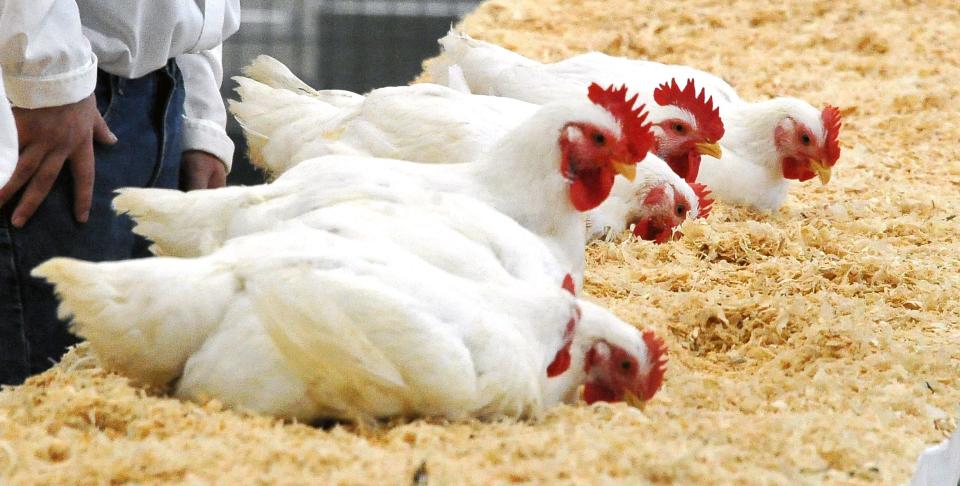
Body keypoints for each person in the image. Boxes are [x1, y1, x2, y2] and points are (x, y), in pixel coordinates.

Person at [0, 1, 241, 385]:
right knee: (44, 394)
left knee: (114, 396)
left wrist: (200, 112)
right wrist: (47, 75)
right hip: (63, 100)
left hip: (159, 90)